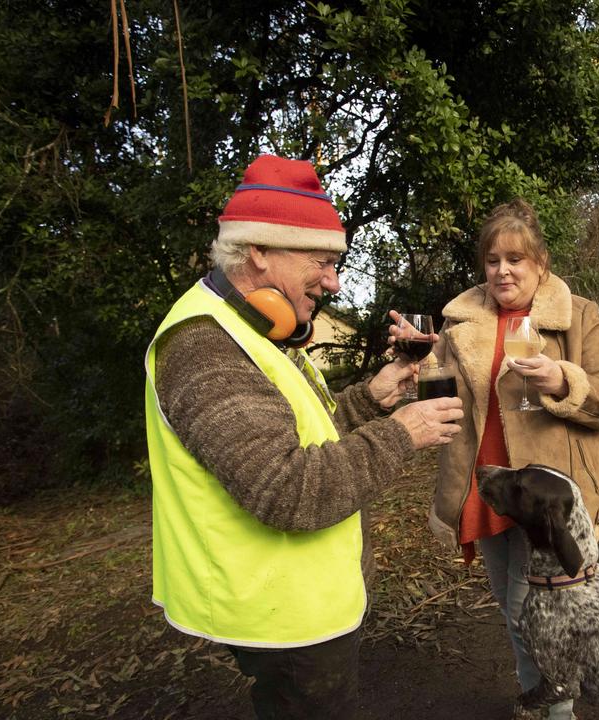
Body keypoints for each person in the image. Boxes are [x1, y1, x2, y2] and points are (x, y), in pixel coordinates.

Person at [144, 154, 463, 720]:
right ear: (259, 251)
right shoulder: (204, 347)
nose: (334, 280)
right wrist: (400, 432)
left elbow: (304, 436)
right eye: (320, 260)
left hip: (303, 604)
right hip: (281, 616)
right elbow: (286, 487)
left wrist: (371, 399)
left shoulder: (253, 330)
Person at [428, 199, 599, 719]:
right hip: (492, 487)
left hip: (547, 498)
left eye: (515, 259)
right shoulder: (461, 321)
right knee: (514, 611)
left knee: (532, 611)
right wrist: (420, 354)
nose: (503, 271)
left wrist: (565, 379)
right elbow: (441, 392)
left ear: (540, 264)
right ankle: (544, 703)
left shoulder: (578, 315)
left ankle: (556, 711)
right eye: (493, 260)